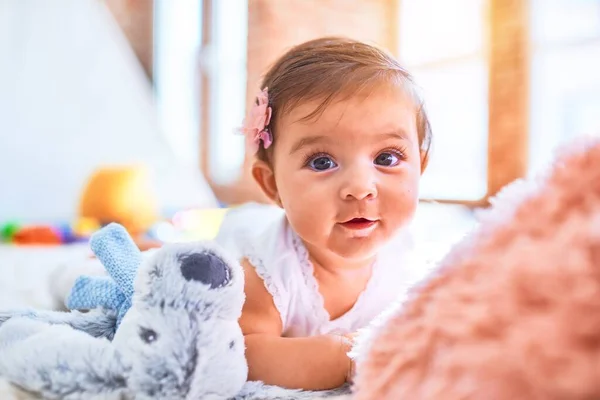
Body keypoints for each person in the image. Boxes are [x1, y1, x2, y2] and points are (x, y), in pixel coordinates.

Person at [215, 36, 432, 391]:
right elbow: (240, 351)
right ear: (272, 186)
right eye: (322, 162)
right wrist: (345, 357)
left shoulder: (414, 258)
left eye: (386, 158)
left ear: (420, 167)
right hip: (241, 229)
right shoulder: (266, 272)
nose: (360, 187)